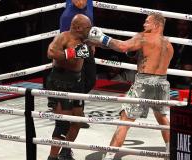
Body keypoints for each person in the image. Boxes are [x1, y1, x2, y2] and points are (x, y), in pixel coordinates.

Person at [88, 13, 173, 159]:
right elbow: (146, 56)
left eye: (147, 22)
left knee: (125, 119)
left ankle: (109, 156)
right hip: (162, 84)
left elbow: (122, 46)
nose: (144, 25)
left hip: (144, 82)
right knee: (162, 117)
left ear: (157, 25)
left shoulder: (143, 37)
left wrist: (103, 38)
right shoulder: (169, 45)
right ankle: (171, 149)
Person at [48, 0, 95, 159]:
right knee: (62, 124)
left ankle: (65, 152)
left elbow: (100, 46)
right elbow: (51, 53)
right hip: (60, 81)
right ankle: (52, 158)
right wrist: (69, 54)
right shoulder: (64, 37)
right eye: (88, 28)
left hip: (76, 82)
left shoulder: (85, 41)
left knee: (77, 121)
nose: (90, 30)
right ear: (78, 27)